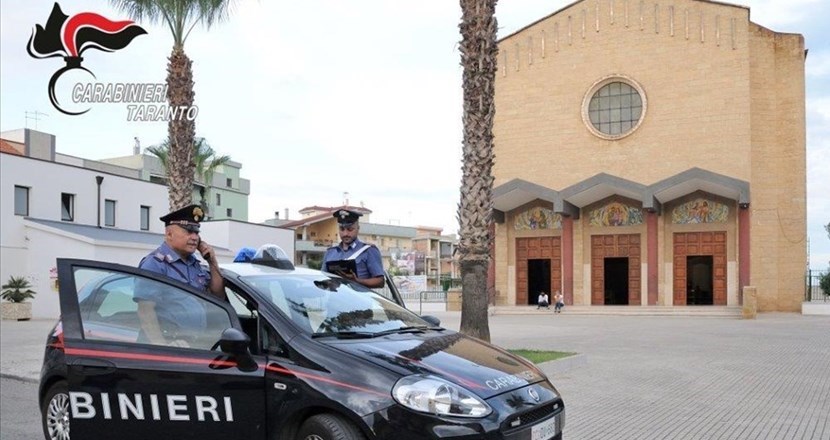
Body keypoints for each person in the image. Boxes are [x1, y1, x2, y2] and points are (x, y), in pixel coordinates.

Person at [135, 204, 225, 346]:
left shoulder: (194, 264)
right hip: (168, 344)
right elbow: (145, 310)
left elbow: (218, 295)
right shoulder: (156, 264)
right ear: (169, 234)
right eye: (189, 231)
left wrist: (212, 260)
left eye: (196, 232)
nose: (195, 237)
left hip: (193, 344)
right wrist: (161, 345)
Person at [322, 209, 385, 289]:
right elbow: (323, 277)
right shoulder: (330, 252)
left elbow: (380, 281)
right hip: (335, 299)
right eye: (342, 229)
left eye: (350, 229)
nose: (345, 233)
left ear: (358, 228)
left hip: (358, 300)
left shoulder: (368, 250)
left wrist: (357, 281)